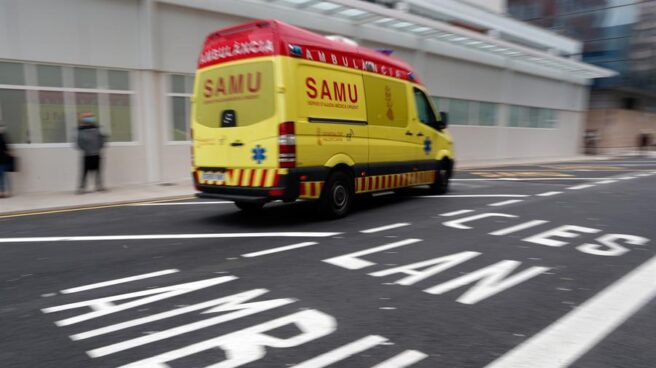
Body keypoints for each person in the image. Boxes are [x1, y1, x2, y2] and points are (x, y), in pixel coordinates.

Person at [76, 112, 106, 194]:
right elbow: (79, 142)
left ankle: (99, 185)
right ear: (83, 119)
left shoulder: (97, 128)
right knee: (84, 172)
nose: (89, 118)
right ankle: (82, 187)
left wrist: (99, 147)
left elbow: (102, 139)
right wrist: (86, 149)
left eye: (90, 116)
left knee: (98, 171)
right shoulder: (81, 129)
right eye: (87, 117)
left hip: (96, 153)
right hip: (87, 154)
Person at [0, 122, 12, 198]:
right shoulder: (3, 137)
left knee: (3, 176)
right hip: (2, 159)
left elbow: (7, 148)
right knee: (3, 176)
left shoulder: (3, 137)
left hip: (3, 159)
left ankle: (5, 191)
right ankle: (4, 191)